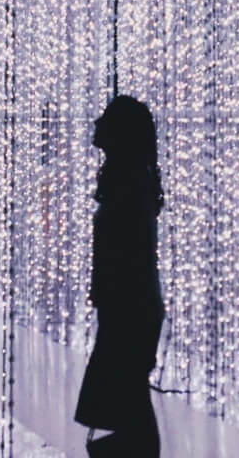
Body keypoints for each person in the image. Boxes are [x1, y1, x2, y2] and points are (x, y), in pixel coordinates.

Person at [74, 95, 165, 457]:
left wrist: (111, 302)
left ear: (120, 133)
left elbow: (128, 255)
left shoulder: (130, 185)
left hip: (131, 307)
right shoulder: (128, 180)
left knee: (129, 398)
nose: (96, 123)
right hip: (130, 305)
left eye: (105, 119)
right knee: (129, 398)